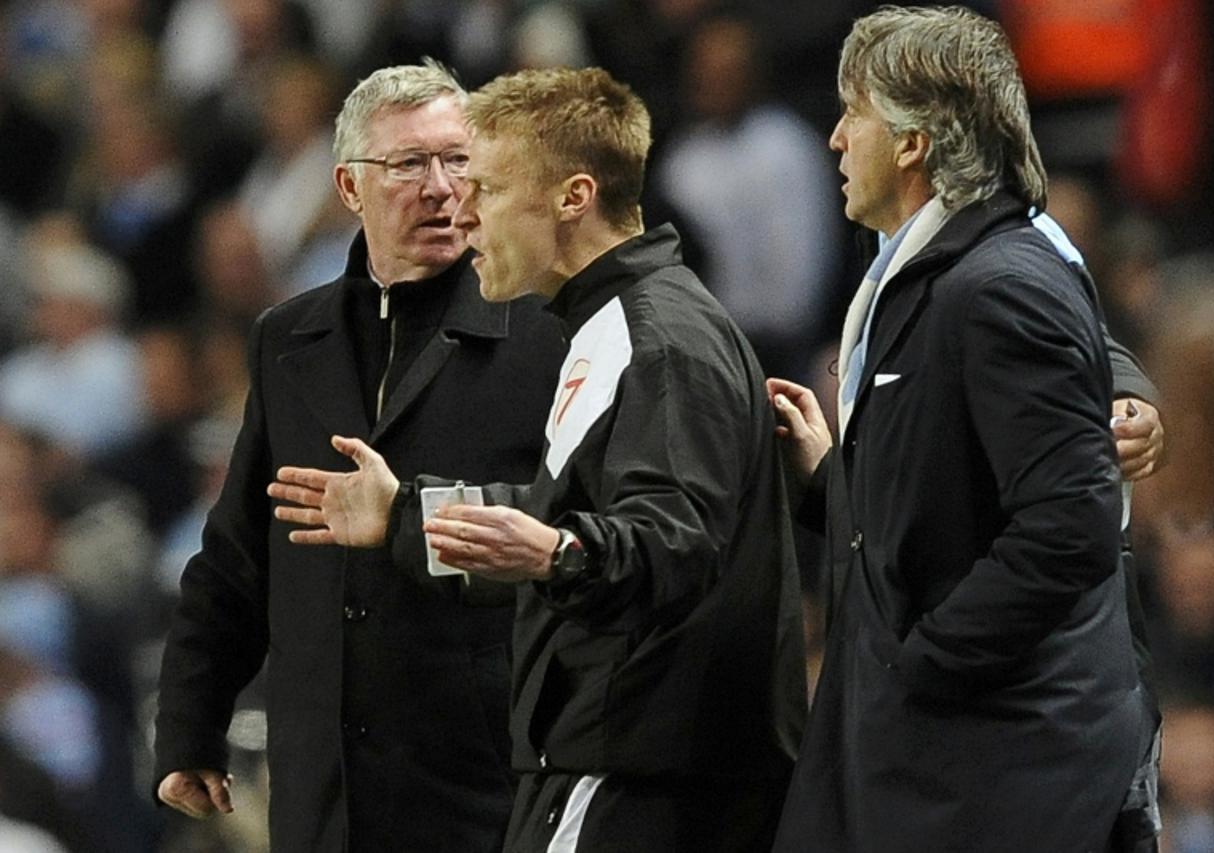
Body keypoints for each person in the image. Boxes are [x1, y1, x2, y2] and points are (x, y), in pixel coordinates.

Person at [268, 66, 808, 853]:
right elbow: (575, 516)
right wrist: (406, 516)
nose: (464, 208)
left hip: (640, 772)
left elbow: (674, 542)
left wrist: (559, 555)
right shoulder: (611, 324)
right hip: (615, 761)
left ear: (572, 196)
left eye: (486, 186)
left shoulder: (657, 338)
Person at [766, 7, 1161, 851]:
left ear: (913, 141)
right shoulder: (923, 277)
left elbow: (1068, 527)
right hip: (939, 763)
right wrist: (831, 481)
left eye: (853, 113)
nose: (835, 139)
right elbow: (942, 508)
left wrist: (925, 665)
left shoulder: (997, 282)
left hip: (1001, 771)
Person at [152, 61, 564, 853]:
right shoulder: (287, 338)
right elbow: (238, 557)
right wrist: (189, 726)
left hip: (483, 786)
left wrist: (408, 513)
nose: (442, 187)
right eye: (409, 164)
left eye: (458, 160)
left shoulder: (545, 332)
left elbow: (571, 521)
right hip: (323, 791)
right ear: (349, 187)